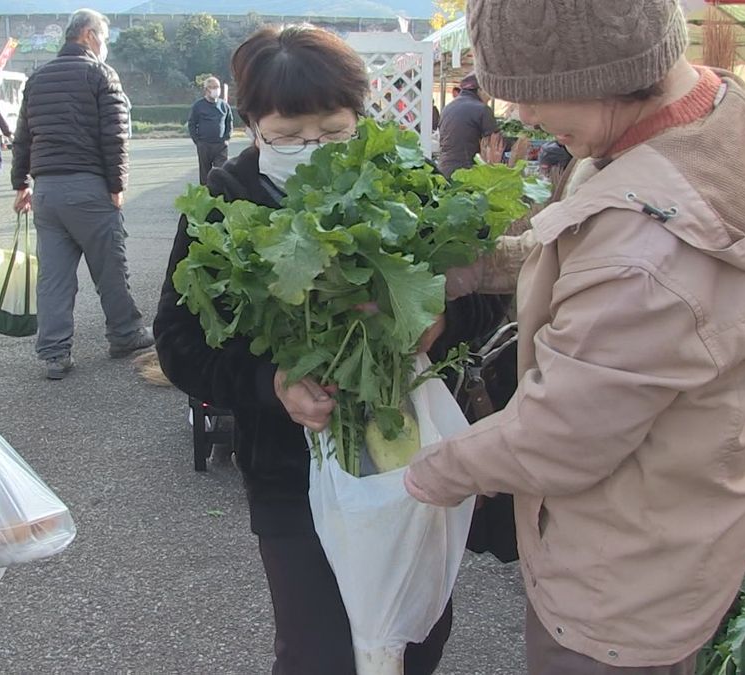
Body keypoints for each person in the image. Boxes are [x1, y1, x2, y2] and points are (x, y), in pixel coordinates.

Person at [404, 1, 745, 673]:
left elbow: (557, 434)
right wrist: (461, 274)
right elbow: (580, 241)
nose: (521, 116)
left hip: (621, 578)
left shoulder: (649, 259)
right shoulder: (711, 115)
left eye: (534, 95)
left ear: (610, 73)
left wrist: (419, 473)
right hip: (681, 510)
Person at [154, 26, 505, 675]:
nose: (311, 147)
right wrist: (273, 383)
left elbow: (485, 292)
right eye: (288, 135)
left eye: (332, 130)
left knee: (416, 632)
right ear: (254, 124)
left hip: (410, 454)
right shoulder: (225, 199)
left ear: (361, 118)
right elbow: (178, 342)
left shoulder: (405, 177)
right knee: (318, 650)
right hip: (291, 473)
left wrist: (437, 319)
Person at [11, 9, 152, 380]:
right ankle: (124, 333)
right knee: (109, 267)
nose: (104, 46)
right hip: (88, 186)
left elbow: (23, 137)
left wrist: (20, 184)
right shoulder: (100, 74)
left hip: (46, 192)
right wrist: (116, 186)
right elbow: (115, 135)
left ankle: (54, 354)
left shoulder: (37, 78)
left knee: (54, 277)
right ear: (89, 35)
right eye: (103, 38)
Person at [437, 73, 498, 178]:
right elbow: (495, 144)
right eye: (489, 92)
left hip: (443, 171)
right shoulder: (482, 109)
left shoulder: (447, 108)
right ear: (481, 90)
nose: (490, 98)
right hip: (467, 173)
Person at [187, 76, 233, 185]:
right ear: (206, 90)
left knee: (221, 172)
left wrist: (227, 138)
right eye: (212, 87)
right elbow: (192, 124)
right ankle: (206, 195)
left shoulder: (224, 106)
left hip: (221, 145)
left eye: (217, 87)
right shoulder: (198, 106)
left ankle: (221, 196)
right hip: (204, 145)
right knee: (205, 174)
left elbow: (229, 122)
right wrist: (197, 141)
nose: (216, 90)